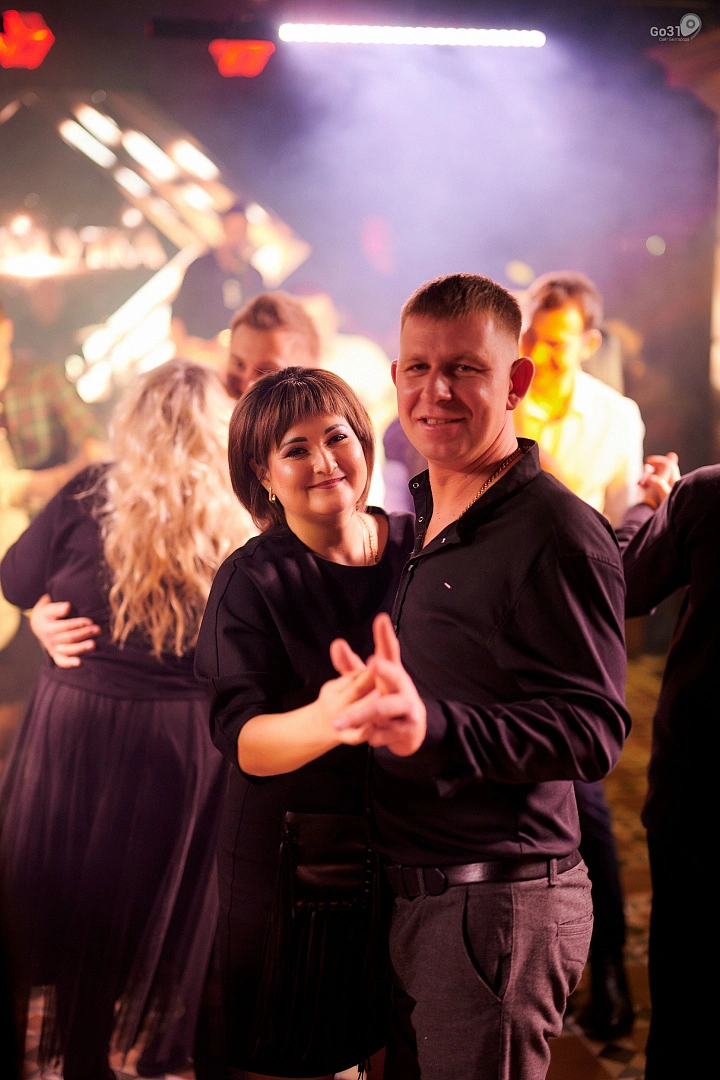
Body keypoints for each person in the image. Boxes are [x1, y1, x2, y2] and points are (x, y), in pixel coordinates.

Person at [331, 273, 630, 1080]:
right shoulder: (427, 513)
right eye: (418, 368)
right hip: (417, 895)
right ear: (395, 378)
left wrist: (432, 727)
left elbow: (594, 731)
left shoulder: (558, 532)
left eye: (464, 368)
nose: (436, 391)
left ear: (515, 381)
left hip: (499, 905)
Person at [0, 360, 253, 1080]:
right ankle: (125, 1055)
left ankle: (81, 1057)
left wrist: (42, 613)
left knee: (70, 895)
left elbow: (15, 578)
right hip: (178, 740)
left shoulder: (91, 490)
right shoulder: (240, 514)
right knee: (145, 904)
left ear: (133, 422)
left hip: (78, 727)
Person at [194, 366, 415, 1079]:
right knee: (295, 1055)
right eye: (296, 449)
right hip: (296, 866)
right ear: (263, 474)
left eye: (337, 437)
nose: (325, 461)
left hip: (411, 847)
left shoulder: (417, 546)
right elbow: (244, 741)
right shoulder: (251, 580)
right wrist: (328, 717)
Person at [514, 270, 644, 1038]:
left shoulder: (615, 417)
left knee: (585, 798)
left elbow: (625, 538)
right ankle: (550, 974)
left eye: (557, 343)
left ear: (589, 343)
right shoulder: (501, 401)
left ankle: (608, 971)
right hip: (504, 626)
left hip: (577, 638)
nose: (541, 353)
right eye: (531, 335)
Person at [616, 451, 714, 1079]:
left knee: (686, 1000)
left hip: (700, 793)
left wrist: (652, 504)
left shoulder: (707, 495)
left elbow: (620, 582)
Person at [172, 202, 264, 365]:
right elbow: (178, 310)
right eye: (232, 228)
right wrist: (182, 349)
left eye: (240, 230)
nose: (235, 236)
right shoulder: (200, 266)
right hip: (194, 353)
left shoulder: (252, 277)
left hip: (229, 360)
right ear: (223, 227)